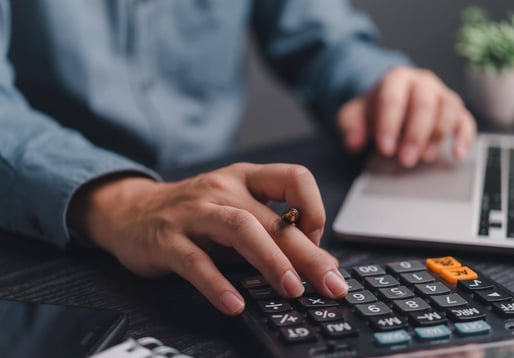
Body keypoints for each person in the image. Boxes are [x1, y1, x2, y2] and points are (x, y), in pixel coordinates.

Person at [0, 1, 475, 315]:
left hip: (225, 225)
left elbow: (324, 36)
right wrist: (122, 200)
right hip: (39, 244)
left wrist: (381, 85)